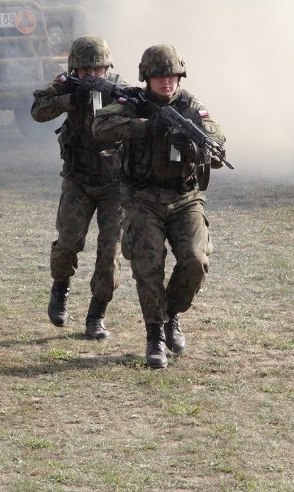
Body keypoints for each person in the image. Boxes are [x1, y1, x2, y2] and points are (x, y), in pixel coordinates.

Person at [92, 44, 227, 368]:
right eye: (160, 77)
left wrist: (195, 147)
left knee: (195, 260)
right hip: (141, 198)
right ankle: (155, 337)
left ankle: (172, 316)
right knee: (148, 262)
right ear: (147, 78)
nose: (167, 83)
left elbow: (216, 144)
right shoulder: (132, 101)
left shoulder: (190, 106)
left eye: (173, 76)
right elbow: (100, 127)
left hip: (184, 198)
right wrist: (145, 126)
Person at [30, 35, 126, 340]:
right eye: (86, 71)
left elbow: (145, 110)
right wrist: (70, 99)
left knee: (110, 253)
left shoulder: (119, 88)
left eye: (99, 70)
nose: (94, 76)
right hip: (78, 180)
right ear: (74, 69)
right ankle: (60, 287)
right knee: (68, 243)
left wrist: (116, 97)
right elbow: (37, 109)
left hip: (115, 185)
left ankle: (96, 315)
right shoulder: (65, 84)